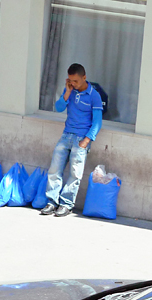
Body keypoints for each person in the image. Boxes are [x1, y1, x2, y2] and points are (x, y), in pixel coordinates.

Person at [41, 63, 103, 217]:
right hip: (66, 135)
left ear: (84, 78)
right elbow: (60, 107)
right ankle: (52, 202)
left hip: (81, 138)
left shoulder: (94, 96)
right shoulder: (69, 90)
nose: (72, 83)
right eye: (70, 80)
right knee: (55, 169)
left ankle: (66, 204)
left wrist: (87, 141)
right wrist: (67, 92)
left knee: (75, 173)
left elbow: (97, 122)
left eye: (75, 81)